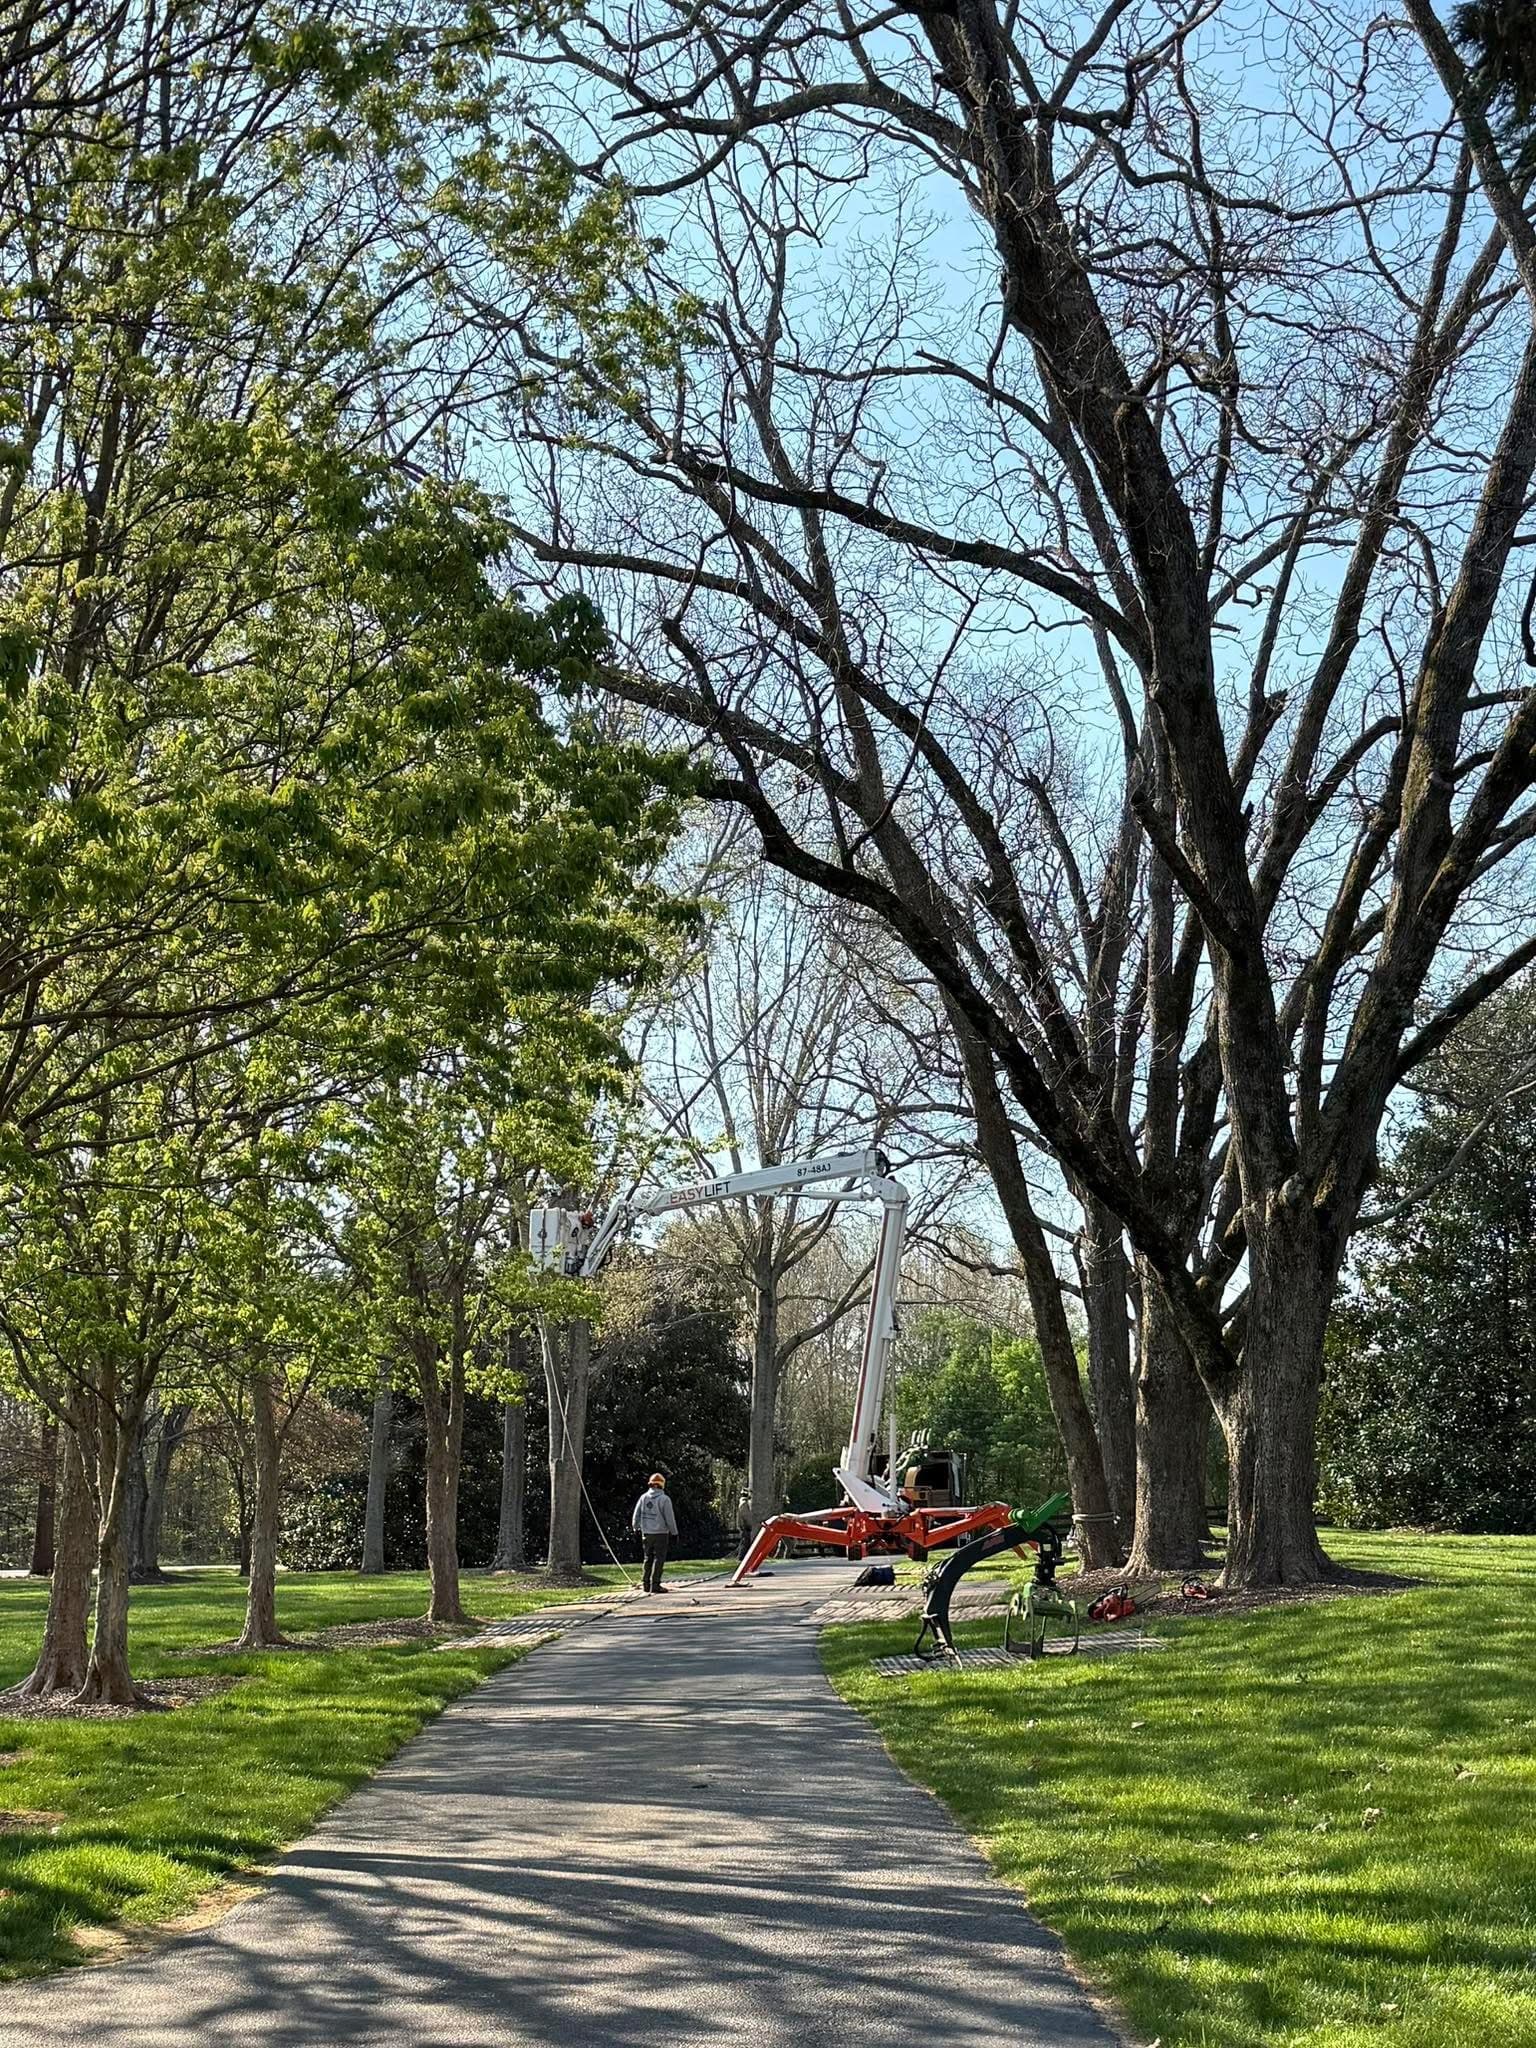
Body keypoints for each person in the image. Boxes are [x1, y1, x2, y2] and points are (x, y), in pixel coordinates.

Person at [631, 1472, 678, 1594]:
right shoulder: (665, 1499)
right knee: (659, 1558)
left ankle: (645, 1584)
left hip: (646, 1533)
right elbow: (669, 1518)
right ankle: (655, 1584)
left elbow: (636, 1514)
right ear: (662, 1485)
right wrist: (674, 1533)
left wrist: (636, 1528)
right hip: (661, 1533)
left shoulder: (643, 1497)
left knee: (647, 1558)